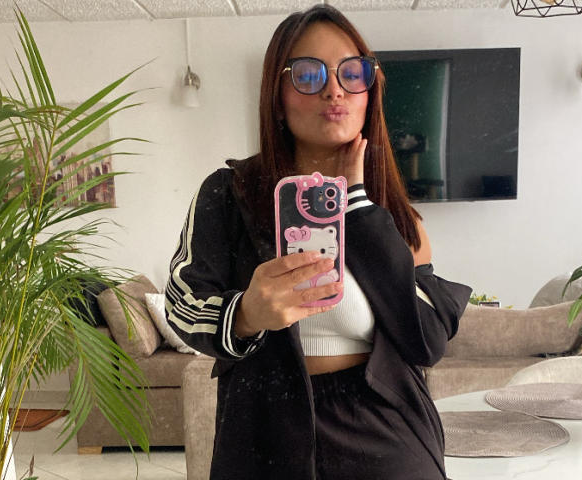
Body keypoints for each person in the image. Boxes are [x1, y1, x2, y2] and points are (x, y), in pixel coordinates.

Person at [165, 4, 471, 480]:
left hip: (384, 432)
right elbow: (182, 304)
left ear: (370, 91)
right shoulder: (229, 193)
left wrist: (359, 207)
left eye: (352, 73)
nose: (334, 89)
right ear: (277, 97)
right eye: (308, 75)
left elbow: (425, 341)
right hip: (262, 431)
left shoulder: (394, 214)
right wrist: (246, 314)